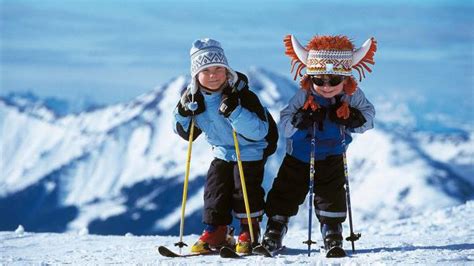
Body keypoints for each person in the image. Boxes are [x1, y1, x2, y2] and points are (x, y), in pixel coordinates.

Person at [261, 34, 377, 254]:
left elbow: (368, 118)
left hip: (333, 155)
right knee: (286, 191)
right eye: (319, 79)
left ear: (345, 78)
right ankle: (275, 229)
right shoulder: (304, 95)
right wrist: (299, 120)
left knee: (331, 194)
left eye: (333, 80)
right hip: (299, 156)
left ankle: (332, 232)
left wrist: (354, 118)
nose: (325, 86)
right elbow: (284, 125)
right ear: (310, 77)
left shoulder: (352, 96)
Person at [172, 38, 277, 254]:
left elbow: (259, 131)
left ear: (227, 70)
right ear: (196, 75)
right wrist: (183, 113)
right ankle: (217, 230)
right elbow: (186, 133)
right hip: (221, 152)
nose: (213, 75)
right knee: (215, 189)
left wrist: (235, 112)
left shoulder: (242, 96)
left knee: (244, 188)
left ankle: (250, 229)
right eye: (206, 70)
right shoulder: (193, 99)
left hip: (249, 151)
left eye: (219, 68)